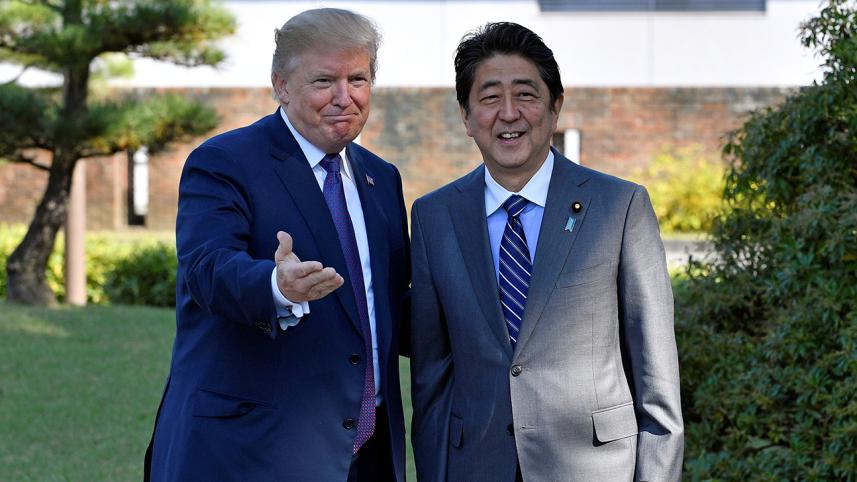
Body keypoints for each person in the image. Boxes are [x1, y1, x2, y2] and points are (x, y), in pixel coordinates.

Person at [409, 22, 683, 481]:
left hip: (593, 467)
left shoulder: (619, 206)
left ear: (555, 108)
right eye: (490, 97)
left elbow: (656, 375)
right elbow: (431, 376)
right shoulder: (434, 216)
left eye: (527, 95)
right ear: (466, 115)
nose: (509, 113)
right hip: (474, 465)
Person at [144, 8, 410, 482]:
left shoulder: (381, 179)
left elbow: (388, 306)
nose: (344, 97)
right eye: (324, 80)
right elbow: (208, 268)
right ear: (281, 85)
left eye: (358, 78)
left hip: (363, 458)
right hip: (249, 453)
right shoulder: (224, 162)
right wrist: (275, 285)